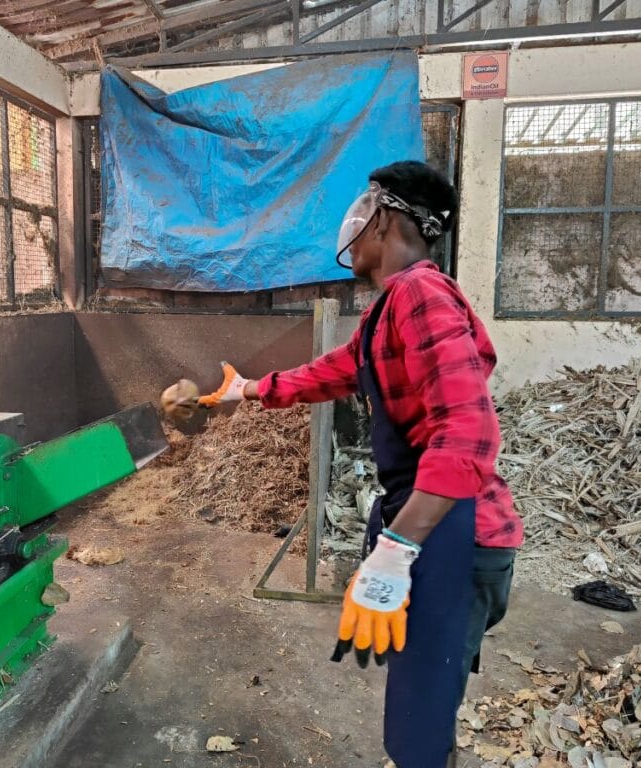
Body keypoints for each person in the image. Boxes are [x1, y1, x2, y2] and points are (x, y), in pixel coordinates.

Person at [191, 161, 523, 767]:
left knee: (421, 719)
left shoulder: (421, 293)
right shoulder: (388, 310)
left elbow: (468, 436)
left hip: (457, 531)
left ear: (388, 219)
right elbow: (330, 372)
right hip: (438, 525)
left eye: (365, 207)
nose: (353, 221)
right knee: (422, 704)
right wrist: (247, 389)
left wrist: (396, 550)